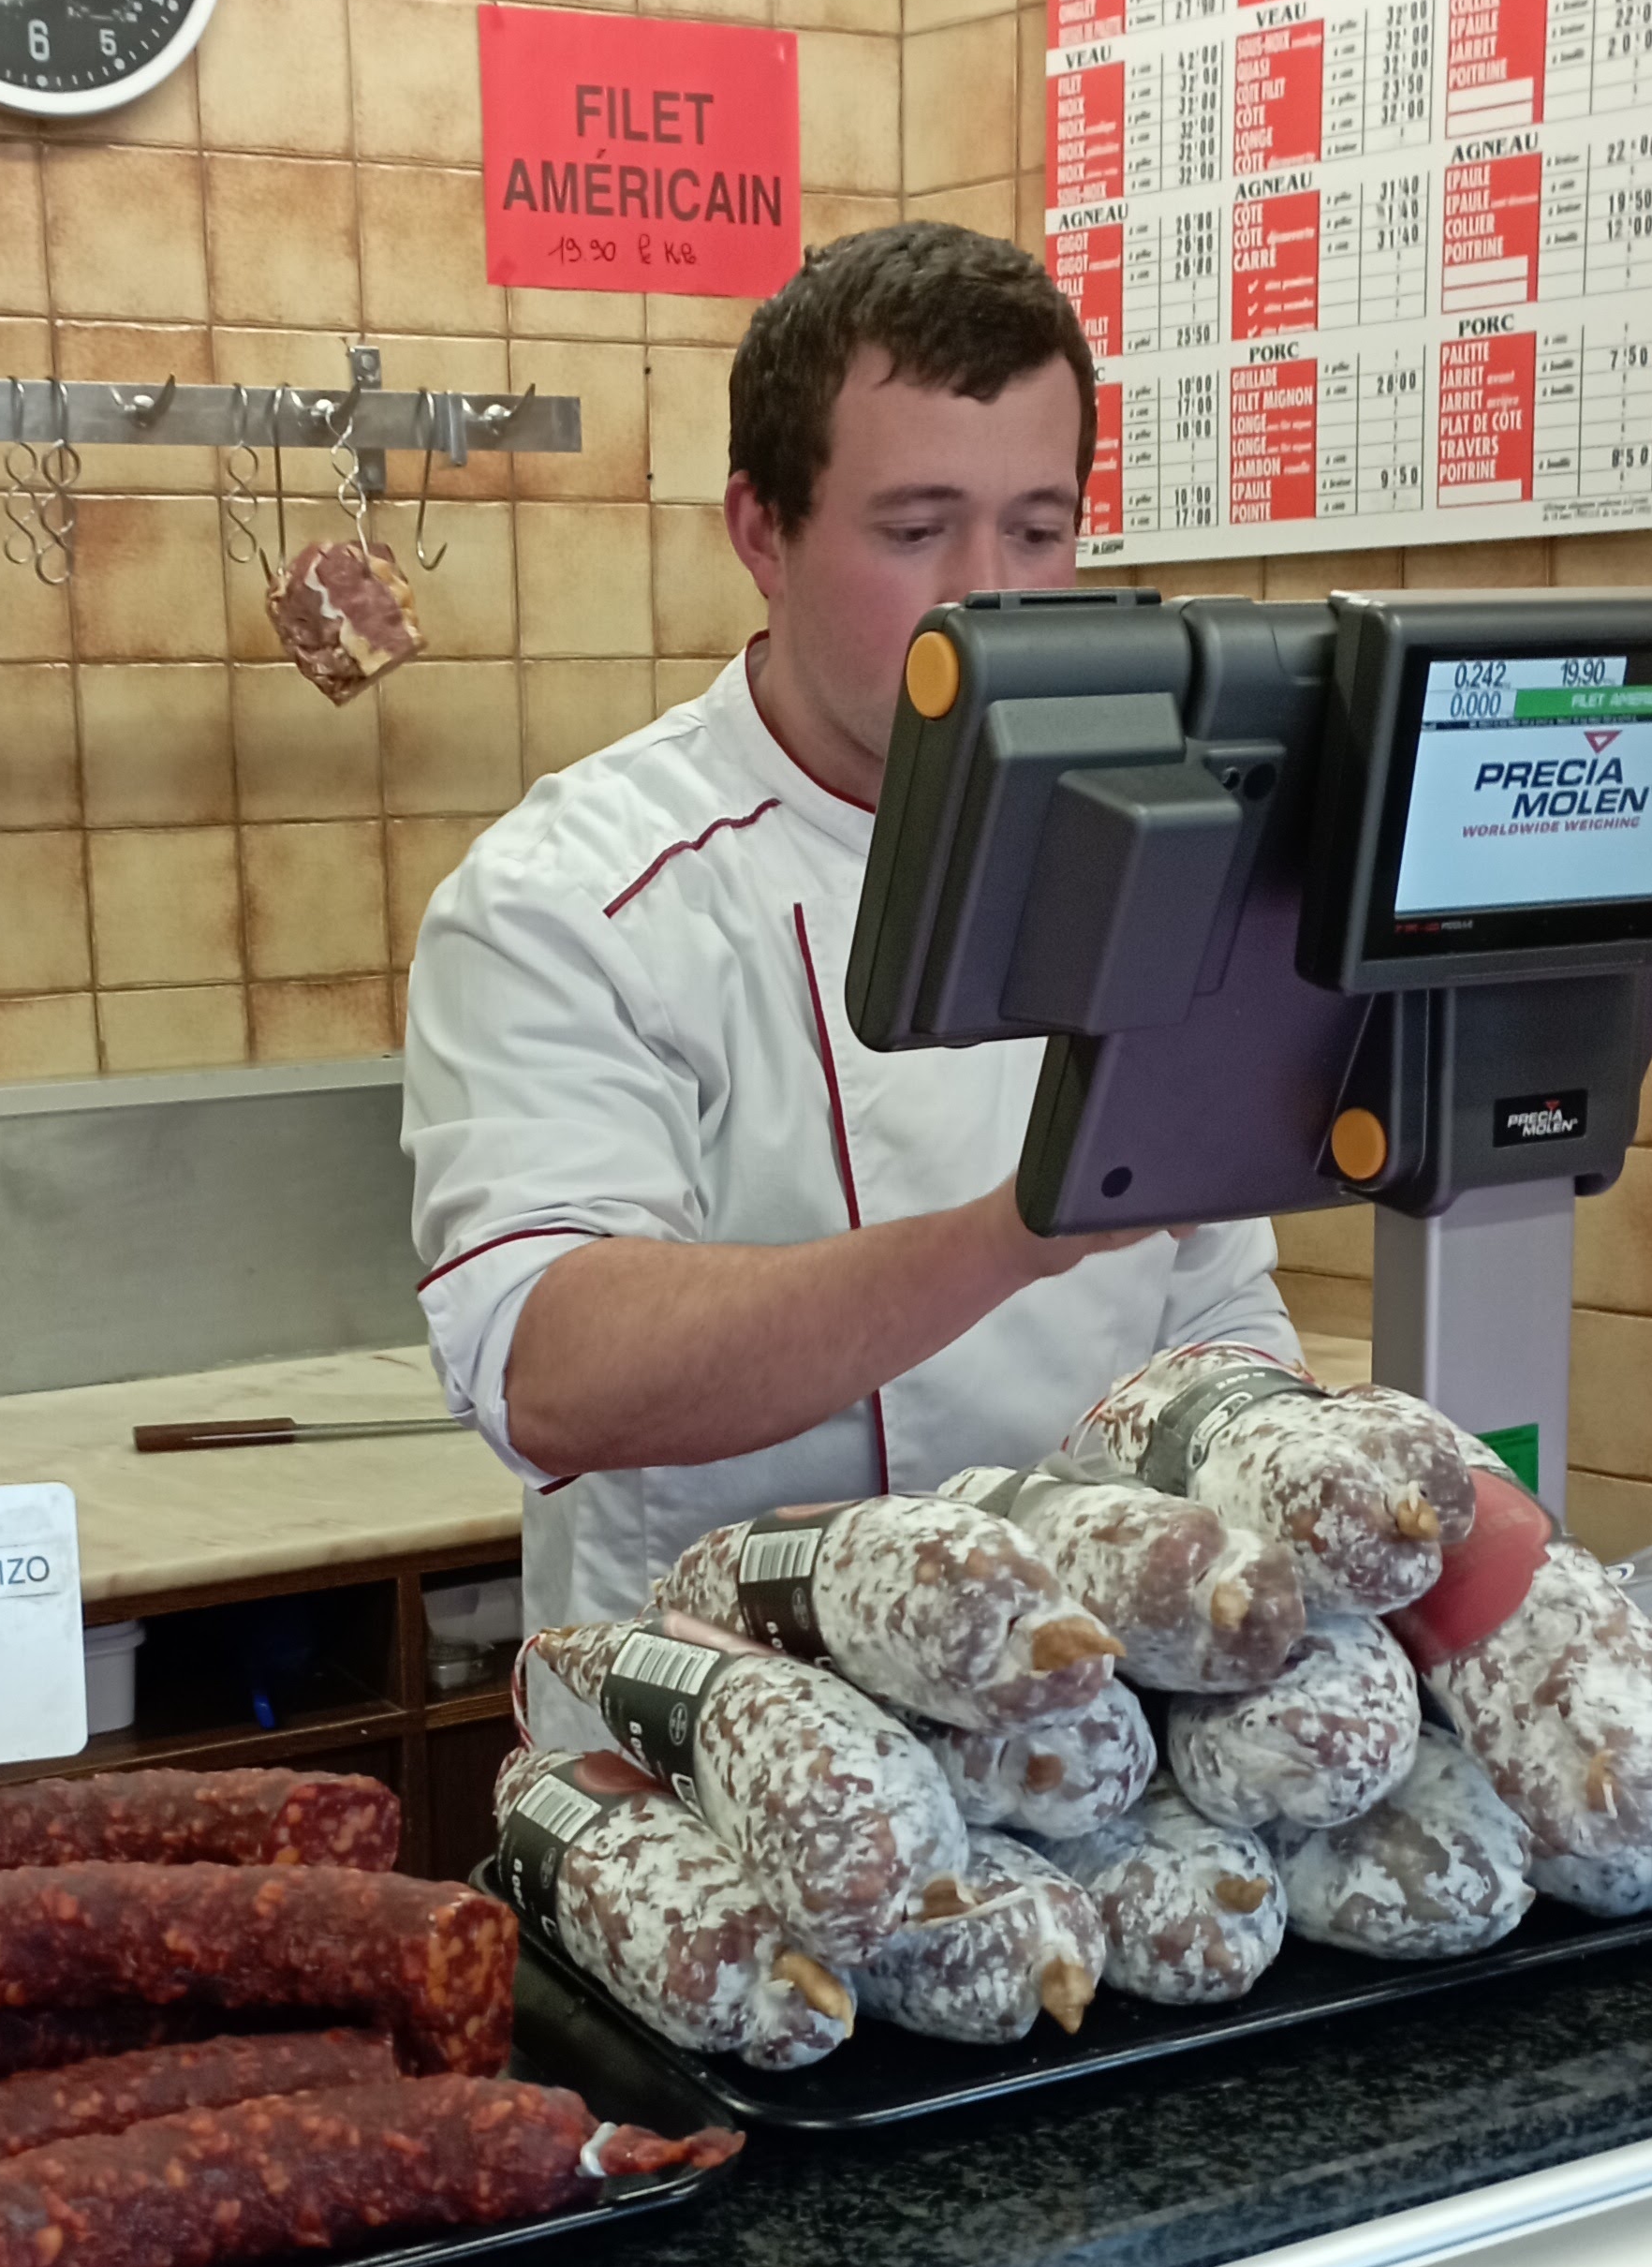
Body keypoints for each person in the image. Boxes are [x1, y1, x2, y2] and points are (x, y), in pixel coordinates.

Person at [402, 221, 1296, 1625]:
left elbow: (1219, 1312)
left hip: (1089, 1696)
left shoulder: (1148, 853)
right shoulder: (573, 896)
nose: (987, 599)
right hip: (723, 1712)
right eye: (915, 530)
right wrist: (1016, 1236)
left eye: (1038, 531)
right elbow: (555, 1371)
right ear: (763, 531)